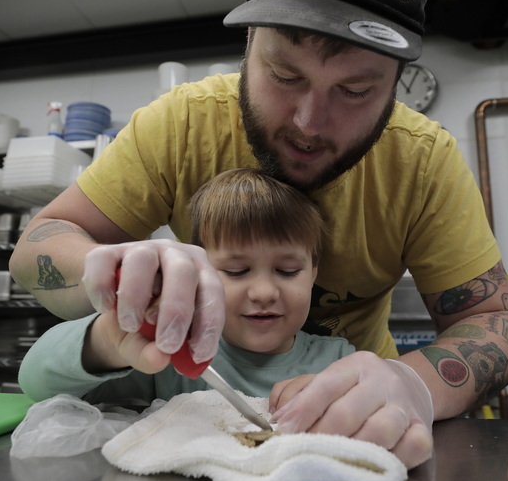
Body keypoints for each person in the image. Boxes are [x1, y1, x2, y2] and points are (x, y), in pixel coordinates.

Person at [10, 0, 508, 468]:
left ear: (395, 83)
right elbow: (37, 247)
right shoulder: (184, 124)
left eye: (355, 90)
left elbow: (496, 324)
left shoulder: (423, 161)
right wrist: (111, 277)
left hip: (366, 421)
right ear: (249, 42)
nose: (308, 123)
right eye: (284, 76)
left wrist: (412, 385)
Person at [18, 168, 355, 405]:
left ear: (312, 273)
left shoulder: (339, 360)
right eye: (237, 271)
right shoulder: (167, 357)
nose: (264, 292)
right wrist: (107, 340)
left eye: (287, 270)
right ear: (197, 273)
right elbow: (35, 382)